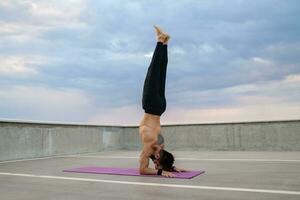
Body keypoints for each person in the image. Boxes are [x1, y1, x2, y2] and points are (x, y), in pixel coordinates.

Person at [139, 26, 186, 178]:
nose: (155, 165)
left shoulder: (160, 145)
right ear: (158, 158)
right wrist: (162, 170)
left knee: (161, 72)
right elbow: (142, 170)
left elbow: (158, 155)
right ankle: (160, 40)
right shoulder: (150, 145)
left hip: (160, 108)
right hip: (151, 105)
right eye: (157, 164)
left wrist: (171, 167)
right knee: (153, 71)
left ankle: (165, 43)